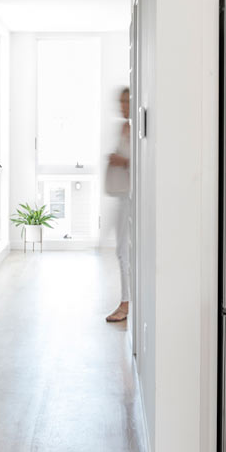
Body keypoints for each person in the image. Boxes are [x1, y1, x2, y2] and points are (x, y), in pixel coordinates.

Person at [104, 87, 132, 322]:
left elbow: (142, 163)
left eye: (125, 101)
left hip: (132, 199)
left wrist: (121, 160)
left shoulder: (135, 128)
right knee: (121, 251)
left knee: (123, 251)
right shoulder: (123, 127)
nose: (122, 106)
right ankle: (126, 300)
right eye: (120, 101)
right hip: (121, 197)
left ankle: (125, 304)